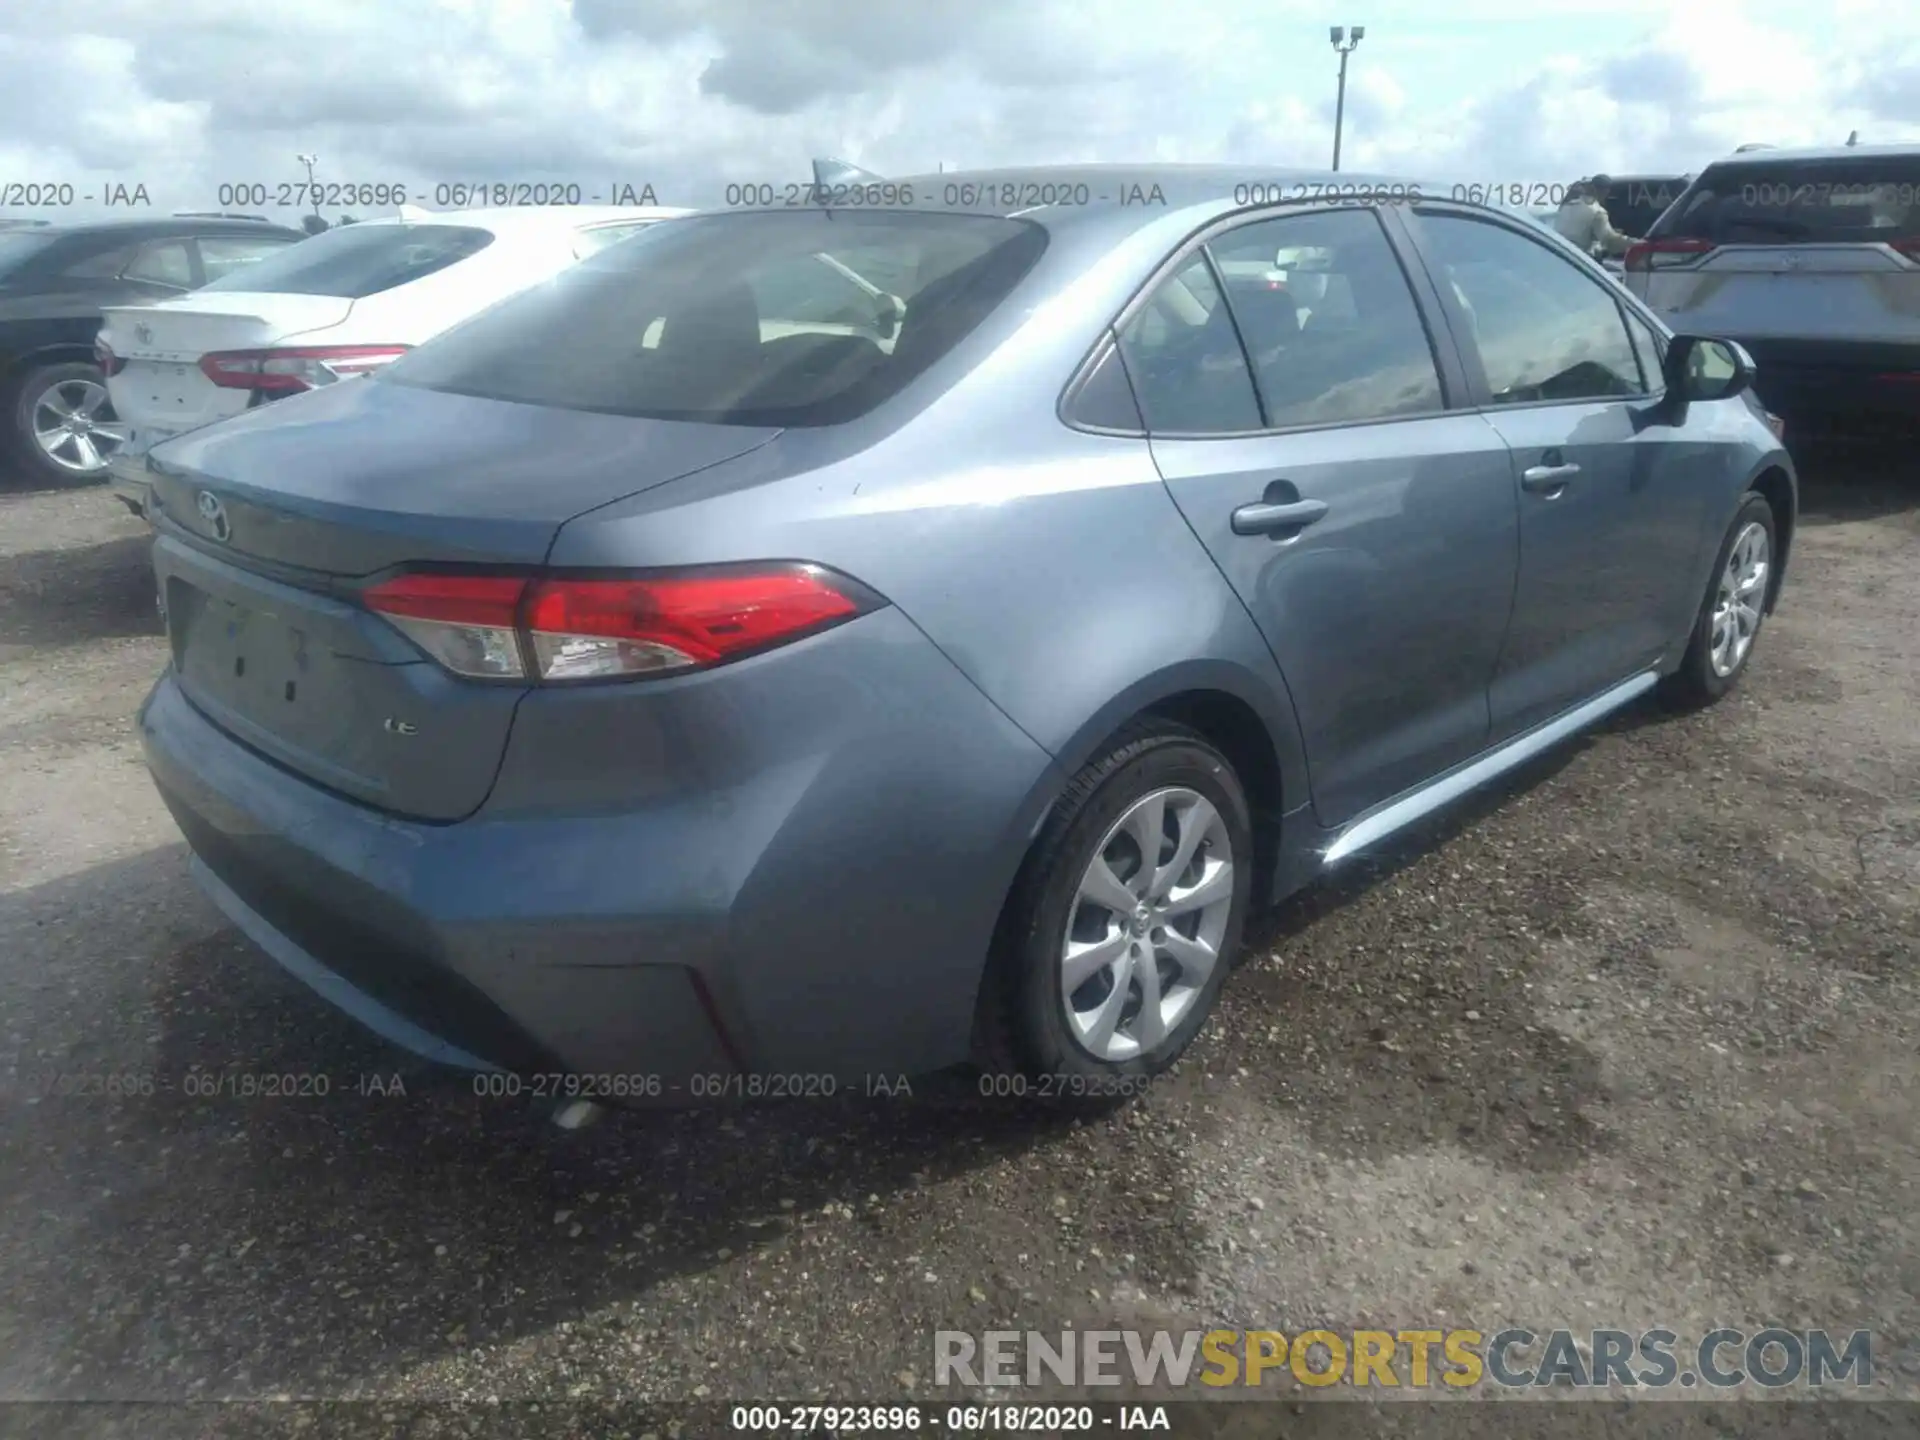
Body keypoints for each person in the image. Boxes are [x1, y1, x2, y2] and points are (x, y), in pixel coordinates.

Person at [1552, 175, 1635, 259]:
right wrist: (1634, 243)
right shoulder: (1597, 212)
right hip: (1576, 260)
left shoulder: (1567, 206)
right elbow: (1610, 242)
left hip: (1556, 256)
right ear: (1605, 191)